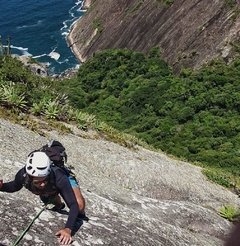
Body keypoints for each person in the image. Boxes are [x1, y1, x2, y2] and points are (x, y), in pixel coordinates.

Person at [0, 151, 87, 245]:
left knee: (79, 205)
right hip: (51, 188)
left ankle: (80, 215)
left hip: (65, 179)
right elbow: (14, 186)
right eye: (38, 181)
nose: (42, 184)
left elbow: (73, 204)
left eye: (44, 180)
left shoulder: (59, 177)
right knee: (56, 204)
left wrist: (68, 229)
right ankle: (57, 202)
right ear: (30, 176)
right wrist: (2, 186)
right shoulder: (23, 175)